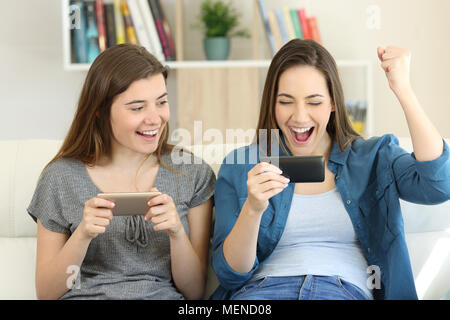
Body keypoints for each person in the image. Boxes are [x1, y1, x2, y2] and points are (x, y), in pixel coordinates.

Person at [211, 39, 450, 300]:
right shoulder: (242, 164)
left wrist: (404, 90)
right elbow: (230, 275)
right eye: (286, 101)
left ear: (334, 103)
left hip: (340, 291)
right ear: (272, 104)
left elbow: (439, 184)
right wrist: (252, 209)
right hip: (262, 293)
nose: (300, 117)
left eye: (314, 102)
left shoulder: (373, 157)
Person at [28, 44, 216, 300]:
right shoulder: (60, 178)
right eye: (137, 108)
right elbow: (47, 293)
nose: (155, 119)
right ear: (100, 112)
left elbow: (194, 293)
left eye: (161, 102)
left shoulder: (192, 173)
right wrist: (82, 235)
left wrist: (177, 234)